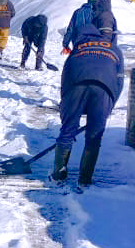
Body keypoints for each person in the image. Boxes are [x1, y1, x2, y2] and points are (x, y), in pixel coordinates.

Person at [51, 18, 124, 187]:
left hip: (76, 87)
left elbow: (65, 78)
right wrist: (110, 104)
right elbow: (119, 81)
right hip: (104, 90)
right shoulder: (115, 49)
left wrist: (66, 107)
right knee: (94, 137)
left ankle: (58, 175)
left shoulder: (77, 49)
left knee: (67, 131)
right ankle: (84, 180)